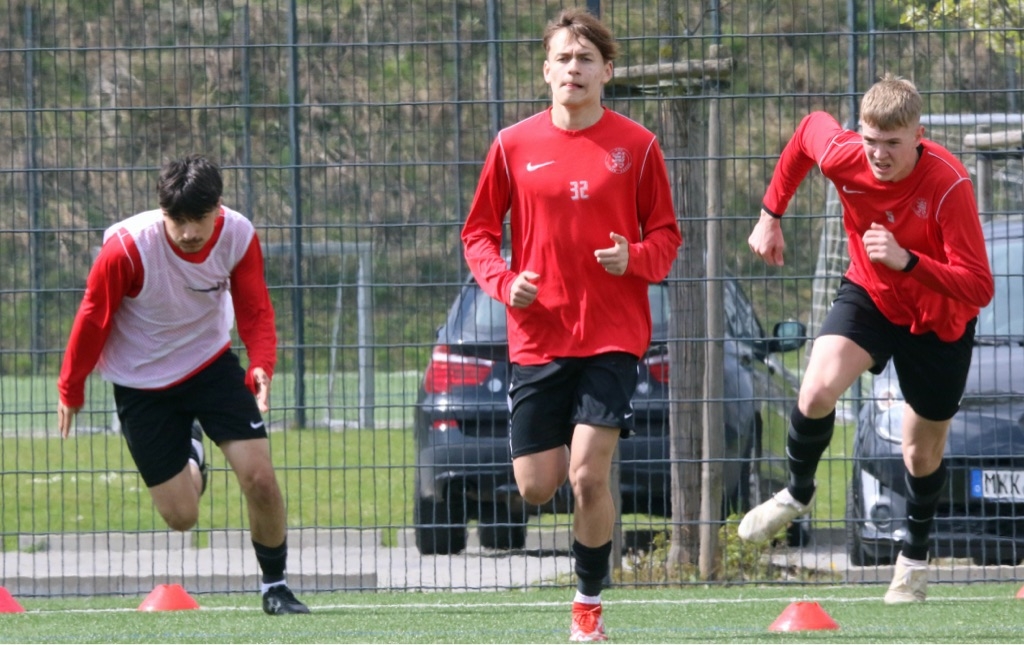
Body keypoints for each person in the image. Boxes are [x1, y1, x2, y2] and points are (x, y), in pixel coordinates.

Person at [461, 8, 682, 642]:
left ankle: (587, 607)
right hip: (538, 336)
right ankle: (556, 464)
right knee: (537, 487)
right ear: (546, 71)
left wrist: (633, 257)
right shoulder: (512, 145)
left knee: (588, 475)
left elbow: (667, 238)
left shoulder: (637, 146)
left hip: (613, 337)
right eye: (563, 58)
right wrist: (505, 283)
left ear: (607, 71)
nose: (574, 69)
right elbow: (478, 234)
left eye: (586, 59)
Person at [739, 74, 994, 603]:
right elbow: (807, 132)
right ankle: (797, 493)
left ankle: (914, 558)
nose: (878, 154)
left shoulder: (949, 183)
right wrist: (770, 215)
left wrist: (908, 260)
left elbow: (979, 286)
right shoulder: (845, 154)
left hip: (939, 319)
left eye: (892, 143)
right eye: (871, 140)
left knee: (919, 455)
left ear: (919, 136)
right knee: (815, 391)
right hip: (872, 296)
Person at [57, 154, 310, 615]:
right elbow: (93, 319)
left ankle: (275, 587)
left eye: (200, 218)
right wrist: (70, 390)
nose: (189, 232)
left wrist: (261, 364)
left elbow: (254, 308)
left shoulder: (238, 235)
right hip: (141, 383)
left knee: (260, 478)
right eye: (178, 220)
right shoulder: (127, 249)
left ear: (218, 207)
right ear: (163, 212)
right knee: (182, 517)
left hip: (209, 364)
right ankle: (193, 449)